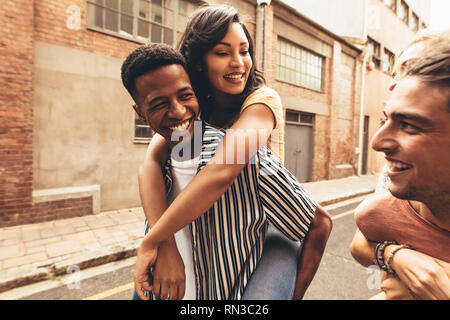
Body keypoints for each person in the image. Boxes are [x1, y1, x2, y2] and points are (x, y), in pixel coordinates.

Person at [123, 5, 332, 300]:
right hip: (223, 220)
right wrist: (163, 243)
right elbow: (151, 162)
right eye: (223, 53)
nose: (239, 63)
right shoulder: (193, 104)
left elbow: (223, 170)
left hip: (271, 219)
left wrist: (151, 241)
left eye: (244, 51)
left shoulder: (261, 100)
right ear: (198, 62)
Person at [350, 33, 450, 300]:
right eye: (397, 72)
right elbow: (365, 236)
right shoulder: (398, 183)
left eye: (412, 67)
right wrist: (396, 258)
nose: (396, 82)